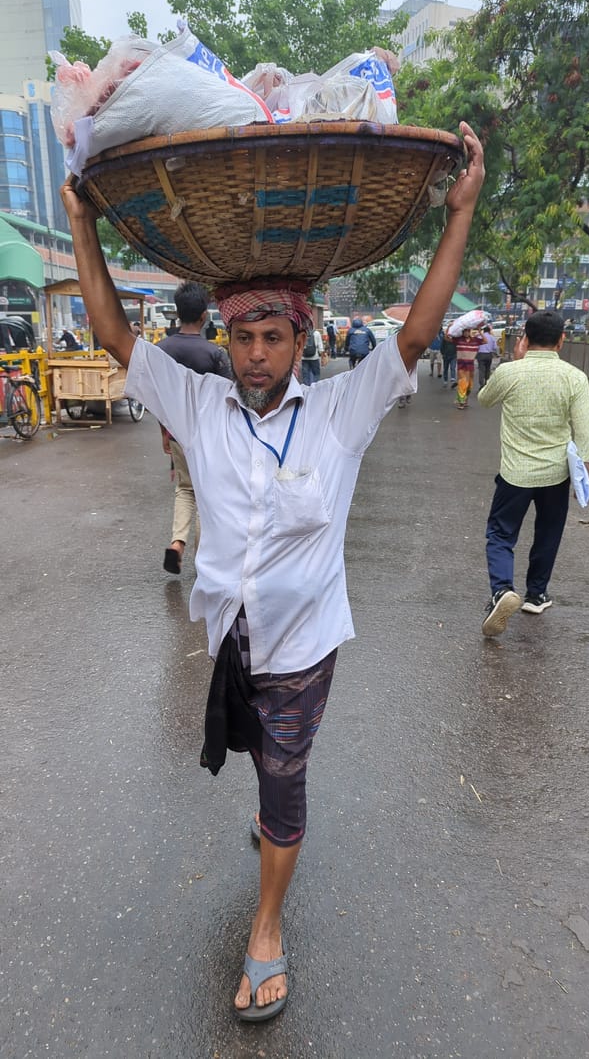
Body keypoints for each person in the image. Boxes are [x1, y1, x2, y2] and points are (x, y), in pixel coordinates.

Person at [61, 120, 484, 1023]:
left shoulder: (340, 411)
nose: (254, 352)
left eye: (271, 336)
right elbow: (106, 329)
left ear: (301, 339)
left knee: (283, 778)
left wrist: (460, 214)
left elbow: (416, 333)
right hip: (229, 635)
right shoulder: (199, 401)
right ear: (225, 334)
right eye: (242, 334)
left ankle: (265, 924)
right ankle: (271, 816)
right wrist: (84, 224)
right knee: (256, 751)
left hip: (304, 643)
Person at [479, 309, 589, 637]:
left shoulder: (509, 372)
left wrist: (517, 361)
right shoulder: (574, 377)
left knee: (501, 534)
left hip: (515, 474)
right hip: (556, 475)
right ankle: (536, 594)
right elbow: (586, 431)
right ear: (561, 340)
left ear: (525, 339)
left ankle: (502, 590)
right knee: (548, 532)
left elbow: (484, 399)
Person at [157, 281, 231, 574]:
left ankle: (177, 543)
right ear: (204, 315)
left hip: (176, 432)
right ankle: (204, 557)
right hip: (208, 435)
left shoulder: (161, 350)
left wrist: (164, 432)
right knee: (207, 493)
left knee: (185, 488)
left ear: (177, 313)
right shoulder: (214, 354)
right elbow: (228, 397)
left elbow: (158, 397)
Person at [452, 325, 485, 408]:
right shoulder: (458, 340)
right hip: (461, 364)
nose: (466, 333)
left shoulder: (475, 340)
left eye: (467, 331)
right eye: (465, 331)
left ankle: (465, 399)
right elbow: (447, 338)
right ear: (462, 332)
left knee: (469, 384)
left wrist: (480, 332)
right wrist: (449, 328)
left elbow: (485, 341)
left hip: (470, 365)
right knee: (462, 382)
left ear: (469, 332)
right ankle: (461, 402)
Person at [476, 324, 499, 388]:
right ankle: (486, 382)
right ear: (489, 331)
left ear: (483, 331)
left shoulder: (479, 337)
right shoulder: (492, 337)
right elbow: (495, 347)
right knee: (487, 369)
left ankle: (481, 384)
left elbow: (476, 346)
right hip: (489, 355)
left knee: (481, 369)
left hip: (480, 355)